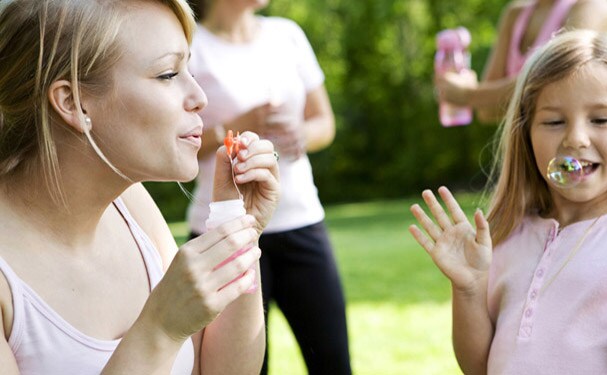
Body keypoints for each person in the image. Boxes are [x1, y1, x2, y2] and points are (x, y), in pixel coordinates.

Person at [0, 0, 280, 373]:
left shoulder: (131, 206)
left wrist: (237, 229)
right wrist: (159, 329)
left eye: (189, 70)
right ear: (72, 101)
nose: (200, 98)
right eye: (167, 75)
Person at [410, 30, 607, 374]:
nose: (575, 138)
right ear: (526, 135)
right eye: (554, 121)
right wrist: (469, 289)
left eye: (601, 119)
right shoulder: (508, 234)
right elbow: (480, 367)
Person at [185, 0, 351, 373]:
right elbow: (177, 151)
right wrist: (236, 124)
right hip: (223, 231)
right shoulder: (191, 43)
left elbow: (324, 123)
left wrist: (298, 135)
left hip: (301, 221)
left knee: (332, 360)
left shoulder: (287, 35)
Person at [435, 0, 607, 124]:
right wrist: (470, 93)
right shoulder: (515, 15)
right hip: (538, 160)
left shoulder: (591, 7)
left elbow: (552, 83)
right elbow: (488, 111)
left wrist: (469, 94)